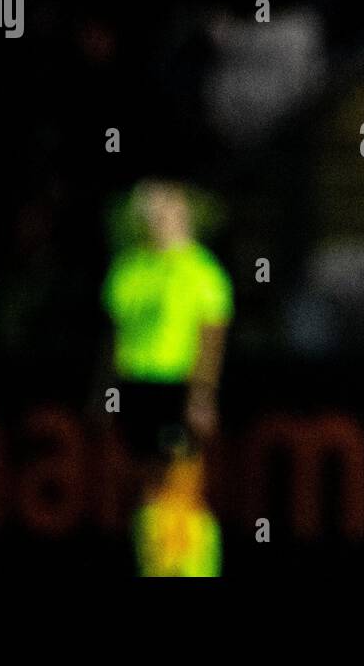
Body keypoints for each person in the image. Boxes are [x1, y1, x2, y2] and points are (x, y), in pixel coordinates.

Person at [102, 179, 232, 575]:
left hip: (177, 390)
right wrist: (106, 396)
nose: (159, 220)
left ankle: (194, 568)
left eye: (168, 211)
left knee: (180, 488)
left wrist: (202, 397)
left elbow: (211, 340)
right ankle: (156, 565)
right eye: (152, 213)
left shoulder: (203, 273)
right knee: (143, 489)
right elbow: (113, 338)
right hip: (136, 389)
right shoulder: (127, 270)